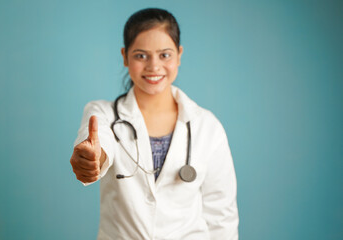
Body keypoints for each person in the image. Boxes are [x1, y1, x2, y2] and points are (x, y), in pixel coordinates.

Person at [70, 8, 239, 239]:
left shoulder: (207, 126)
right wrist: (91, 161)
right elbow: (98, 148)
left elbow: (221, 216)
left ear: (179, 55)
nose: (153, 66)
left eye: (165, 55)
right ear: (125, 56)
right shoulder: (103, 114)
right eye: (141, 55)